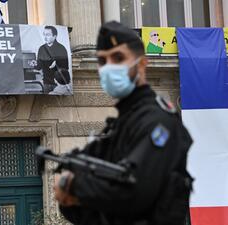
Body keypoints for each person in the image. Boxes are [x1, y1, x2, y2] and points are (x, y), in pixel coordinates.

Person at [53, 21, 193, 225]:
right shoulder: (115, 129)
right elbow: (93, 214)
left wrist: (73, 185)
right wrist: (69, 200)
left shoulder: (158, 122)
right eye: (102, 61)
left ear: (142, 64)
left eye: (118, 57)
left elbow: (135, 192)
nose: (109, 67)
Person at [34, 25, 69, 93]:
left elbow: (66, 68)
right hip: (46, 83)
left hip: (59, 84)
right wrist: (34, 64)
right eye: (44, 35)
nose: (45, 37)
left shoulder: (61, 48)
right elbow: (39, 66)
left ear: (54, 36)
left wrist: (57, 63)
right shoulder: (41, 48)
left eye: (48, 35)